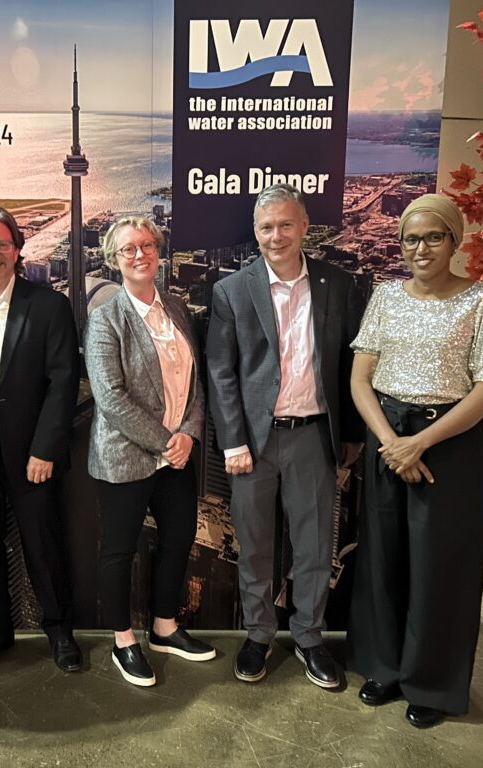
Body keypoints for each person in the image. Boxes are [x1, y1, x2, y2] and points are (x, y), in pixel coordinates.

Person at [347, 194, 483, 728]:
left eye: (433, 237)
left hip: (450, 442)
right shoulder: (385, 296)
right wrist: (392, 442)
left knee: (442, 566)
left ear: (454, 240)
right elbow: (360, 378)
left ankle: (433, 684)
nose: (421, 248)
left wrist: (421, 443)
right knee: (383, 558)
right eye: (410, 239)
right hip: (387, 436)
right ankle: (385, 668)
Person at [206, 183, 364, 688]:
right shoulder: (231, 291)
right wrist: (232, 441)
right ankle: (258, 633)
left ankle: (310, 636)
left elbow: (350, 366)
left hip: (315, 437)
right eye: (266, 227)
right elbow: (221, 372)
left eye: (285, 224)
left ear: (304, 226)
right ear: (255, 233)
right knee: (253, 544)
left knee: (315, 544)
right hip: (254, 441)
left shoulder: (339, 285)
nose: (276, 235)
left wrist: (353, 436)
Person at [84, 216, 215, 687]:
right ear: (113, 259)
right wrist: (167, 441)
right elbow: (111, 397)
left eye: (147, 245)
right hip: (126, 456)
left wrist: (190, 436)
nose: (139, 255)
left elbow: (197, 381)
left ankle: (164, 627)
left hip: (177, 455)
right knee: (119, 552)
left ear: (159, 251)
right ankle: (123, 640)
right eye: (128, 250)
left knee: (178, 539)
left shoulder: (177, 308)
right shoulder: (106, 318)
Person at [0, 207, 82, 673]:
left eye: (1, 244)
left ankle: (59, 629)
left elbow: (63, 381)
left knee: (40, 541)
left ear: (17, 250)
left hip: (29, 449)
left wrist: (44, 448)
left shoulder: (46, 306)